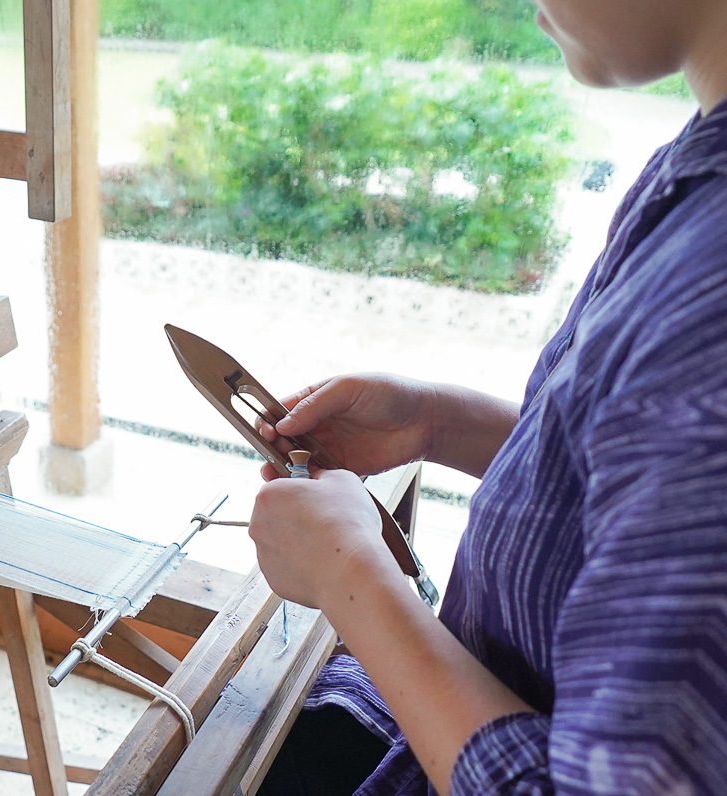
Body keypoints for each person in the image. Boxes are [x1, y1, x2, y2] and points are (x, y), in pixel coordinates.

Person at [248, 1, 727, 793]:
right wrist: (440, 422)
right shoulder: (693, 173)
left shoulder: (708, 303)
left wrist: (352, 583)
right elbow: (633, 489)